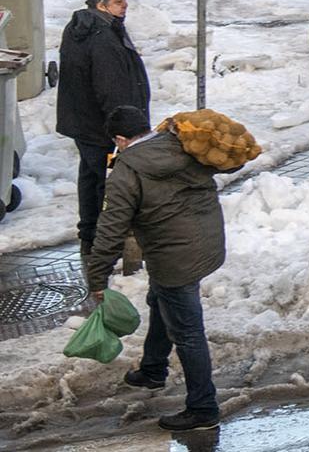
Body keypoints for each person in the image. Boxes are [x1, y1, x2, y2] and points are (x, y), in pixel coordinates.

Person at [84, 106, 224, 433]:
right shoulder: (180, 144)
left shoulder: (126, 170)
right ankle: (152, 369)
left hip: (175, 256)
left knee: (187, 332)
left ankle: (204, 407)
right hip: (207, 240)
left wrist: (97, 277)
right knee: (161, 299)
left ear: (120, 139)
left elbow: (110, 228)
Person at [56, 0, 150, 260]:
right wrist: (125, 131)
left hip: (84, 122)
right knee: (107, 186)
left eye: (125, 0)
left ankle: (90, 238)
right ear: (101, 5)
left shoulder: (81, 28)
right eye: (119, 2)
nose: (125, 6)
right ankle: (104, 246)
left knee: (91, 178)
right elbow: (111, 89)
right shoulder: (103, 39)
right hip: (103, 125)